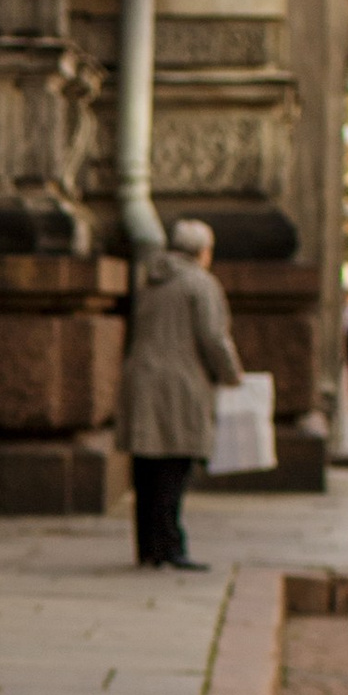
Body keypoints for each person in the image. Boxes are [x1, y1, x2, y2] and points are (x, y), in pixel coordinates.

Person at [121, 215, 243, 572]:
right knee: (174, 466)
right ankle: (171, 546)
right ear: (203, 252)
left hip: (142, 379)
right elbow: (213, 338)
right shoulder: (199, 284)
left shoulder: (151, 278)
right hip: (179, 384)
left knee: (145, 467)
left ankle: (148, 546)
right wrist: (232, 374)